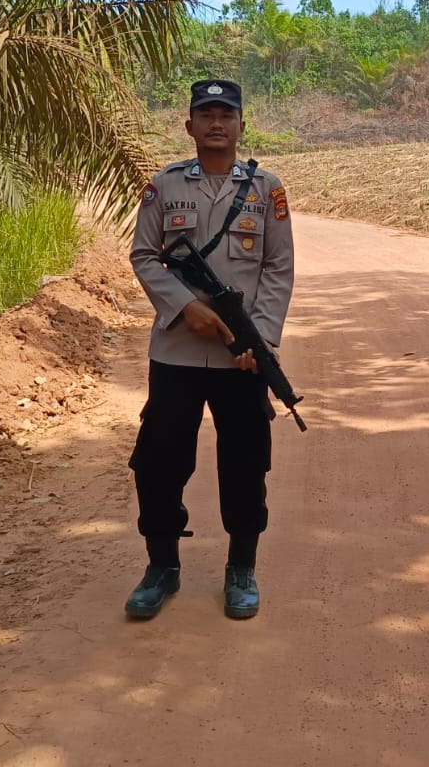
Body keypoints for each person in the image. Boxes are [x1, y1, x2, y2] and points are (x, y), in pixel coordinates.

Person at [125, 79, 295, 619]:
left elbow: (277, 267)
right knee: (158, 462)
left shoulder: (266, 190)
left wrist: (261, 338)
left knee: (246, 464)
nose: (217, 122)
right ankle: (161, 566)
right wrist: (183, 306)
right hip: (175, 353)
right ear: (190, 125)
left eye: (227, 114)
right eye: (206, 114)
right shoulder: (165, 186)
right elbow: (144, 255)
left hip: (240, 359)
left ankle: (241, 568)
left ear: (243, 124)